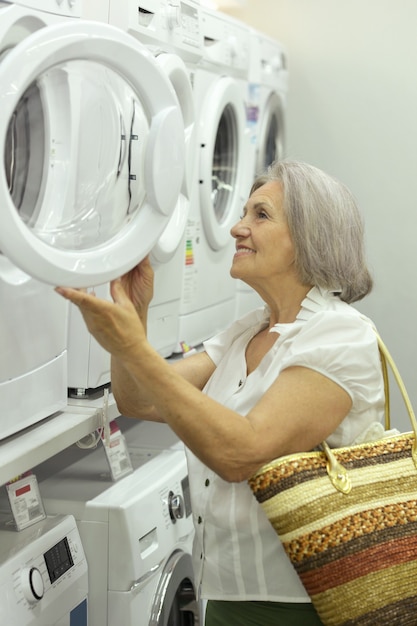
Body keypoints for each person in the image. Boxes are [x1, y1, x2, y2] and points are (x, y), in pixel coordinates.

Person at [56, 160, 385, 626]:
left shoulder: (341, 337)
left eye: (261, 215)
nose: (236, 228)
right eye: (243, 214)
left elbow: (242, 452)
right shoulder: (248, 331)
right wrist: (135, 314)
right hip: (228, 593)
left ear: (310, 239)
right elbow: (140, 401)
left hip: (304, 606)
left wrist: (132, 345)